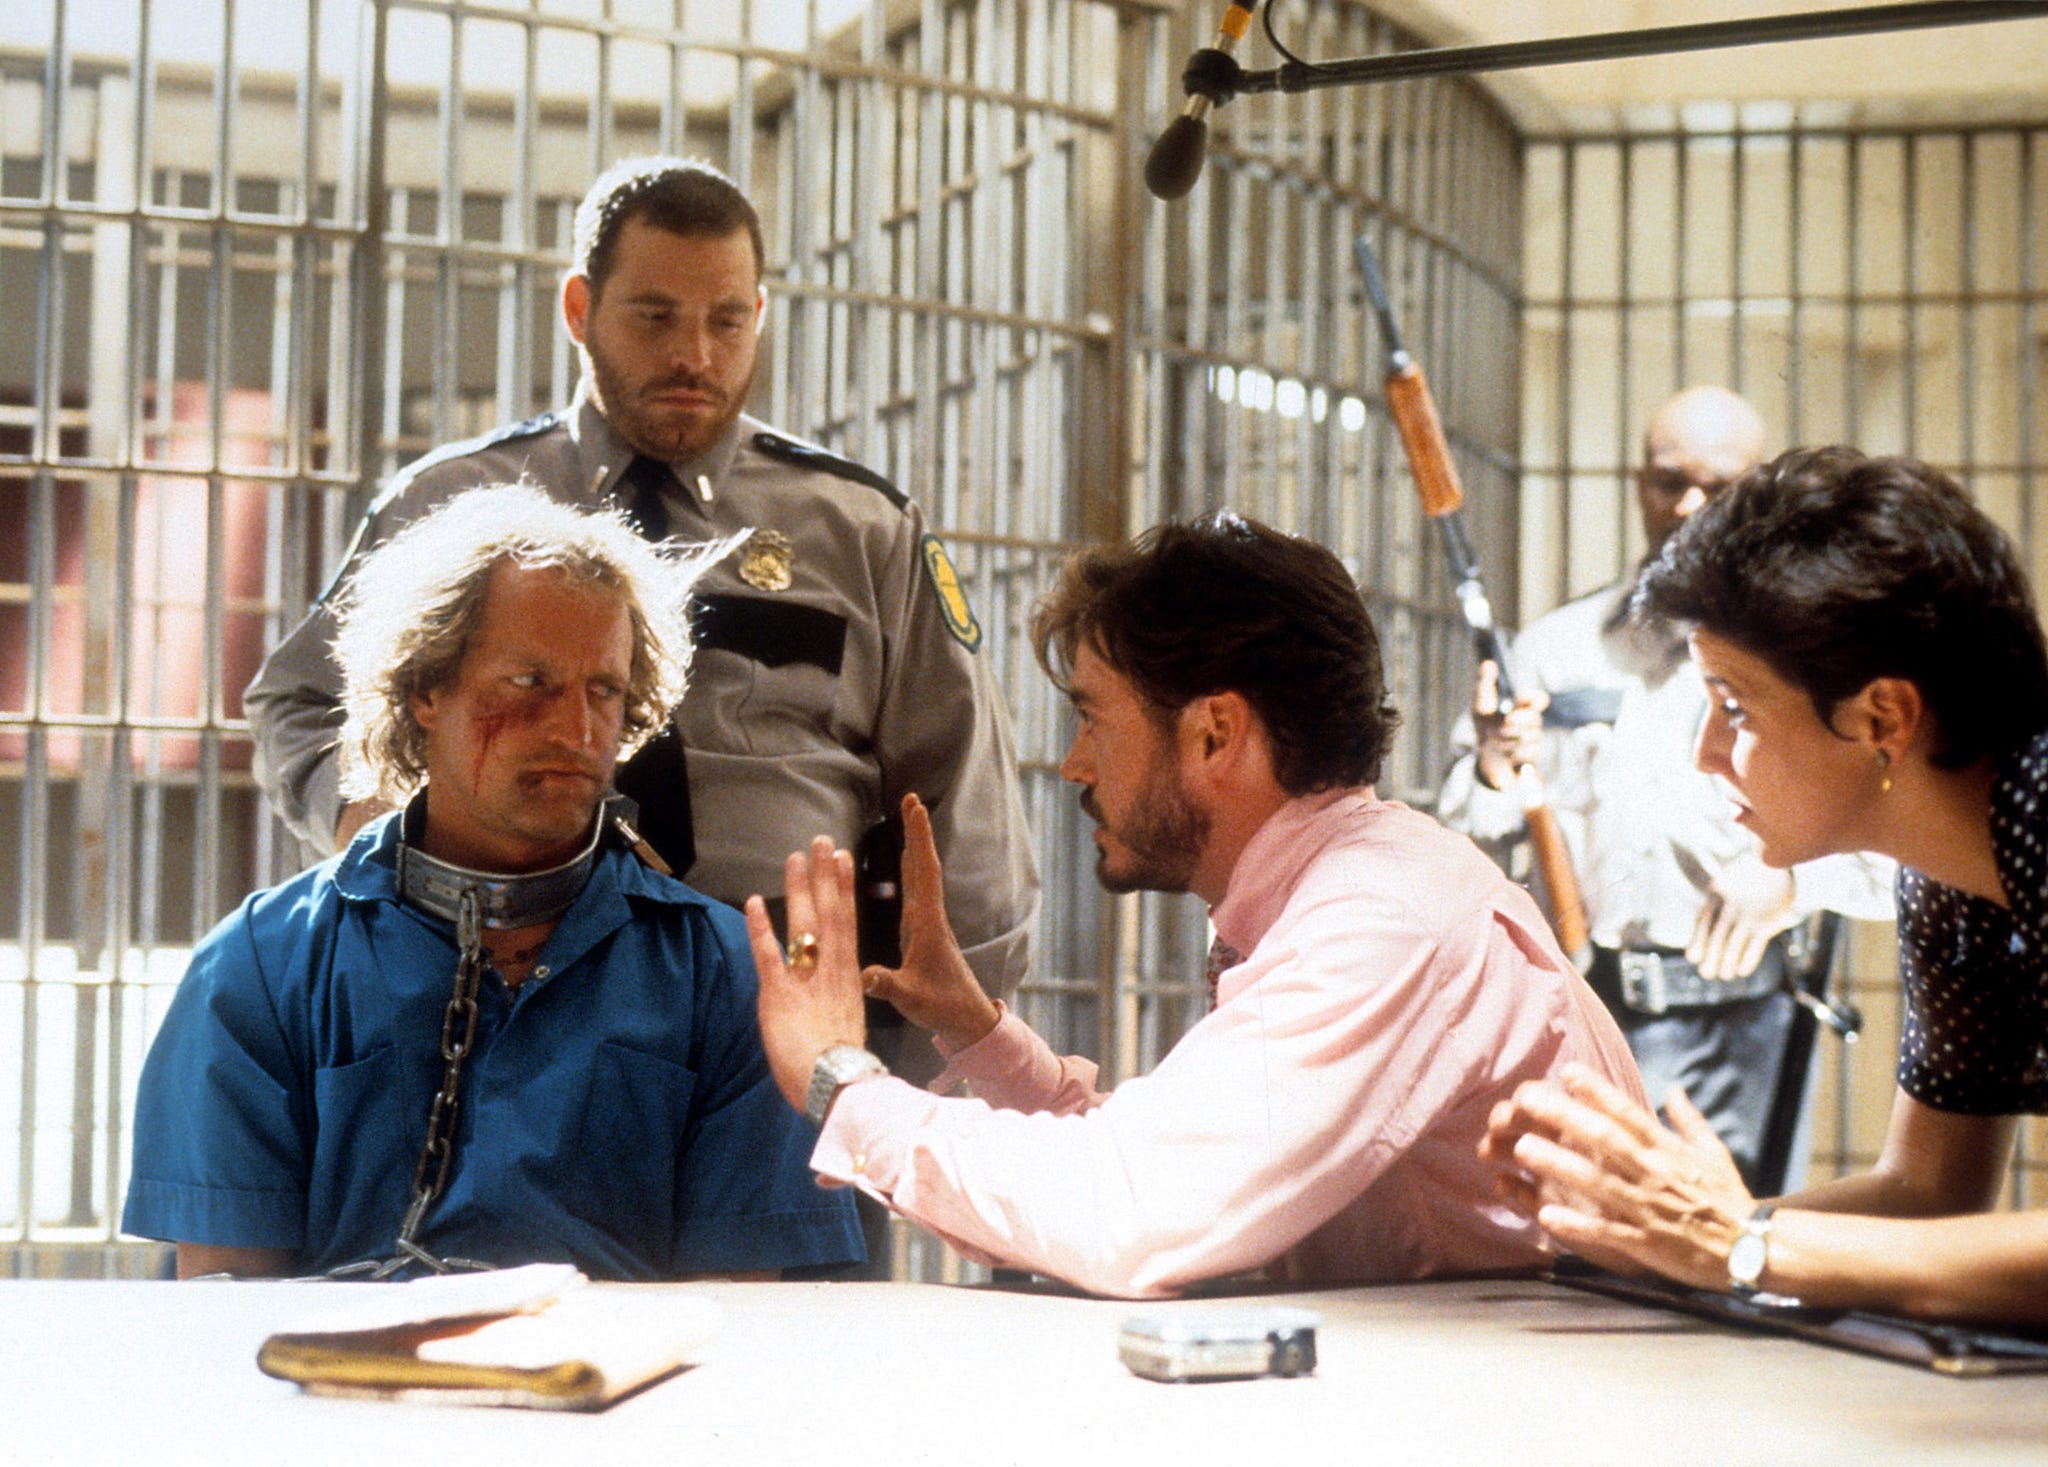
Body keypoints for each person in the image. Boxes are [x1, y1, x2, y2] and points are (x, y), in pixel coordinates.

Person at [241, 155, 1039, 1087]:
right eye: (656, 317)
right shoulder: (455, 502)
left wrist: (899, 1075)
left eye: (727, 320)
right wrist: (376, 829)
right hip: (497, 1041)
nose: (695, 355)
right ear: (580, 309)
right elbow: (299, 701)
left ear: (760, 318)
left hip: (790, 1051)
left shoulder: (860, 527)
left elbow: (965, 810)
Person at [741, 512, 1645, 1300]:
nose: (1073, 765)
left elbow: (1126, 1212)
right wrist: (979, 1032)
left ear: (1215, 732)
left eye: (1094, 718)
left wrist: (840, 1081)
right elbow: (1174, 1162)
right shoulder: (1355, 884)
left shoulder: (1383, 916)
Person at [123, 485, 864, 1281]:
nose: (577, 732)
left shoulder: (726, 978)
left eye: (603, 691)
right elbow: (225, 1316)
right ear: (424, 688)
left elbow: (735, 1325)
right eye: (528, 683)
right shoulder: (257, 970)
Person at [1481, 447, 2048, 1325]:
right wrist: (1643, 1233)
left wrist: (1741, 1241)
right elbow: (1930, 1193)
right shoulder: (1949, 873)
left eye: (1734, 708)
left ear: (1881, 717)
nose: (1707, 753)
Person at [1437, 386, 1892, 1189]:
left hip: (1739, 1029)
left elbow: (1900, 846)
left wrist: (1791, 881)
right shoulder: (1553, 649)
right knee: (1575, 1269)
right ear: (1634, 481)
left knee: (1723, 1280)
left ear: (1760, 495)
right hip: (1578, 1018)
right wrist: (1493, 772)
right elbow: (1459, 847)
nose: (1687, 507)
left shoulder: (1812, 659)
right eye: (1665, 481)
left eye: (1719, 489)